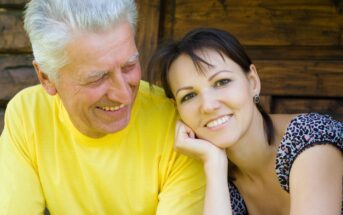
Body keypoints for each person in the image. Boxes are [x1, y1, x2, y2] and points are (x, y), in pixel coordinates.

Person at [0, 0, 206, 214]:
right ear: (46, 78)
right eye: (98, 78)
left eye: (129, 66)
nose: (124, 95)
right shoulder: (28, 114)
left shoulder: (178, 127)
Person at [148, 27, 343, 215]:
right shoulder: (214, 173)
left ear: (252, 82)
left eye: (221, 82)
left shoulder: (311, 142)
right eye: (189, 96)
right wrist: (214, 164)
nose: (208, 105)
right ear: (178, 110)